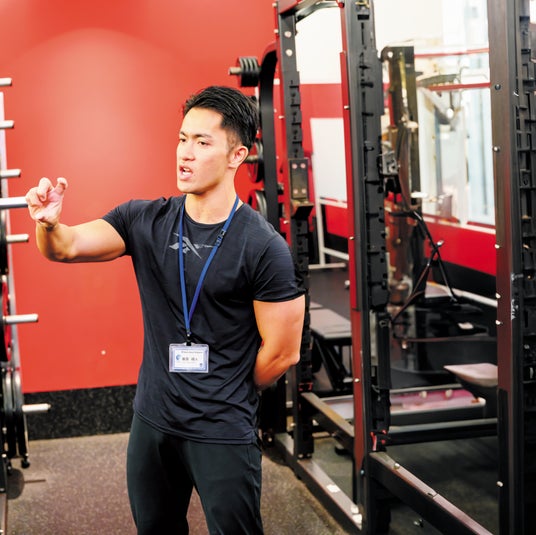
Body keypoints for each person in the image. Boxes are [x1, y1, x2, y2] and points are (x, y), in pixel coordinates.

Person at [25, 85, 305, 535]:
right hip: (152, 421)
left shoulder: (263, 247)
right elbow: (66, 247)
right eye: (182, 139)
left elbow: (283, 352)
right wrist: (49, 224)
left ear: (237, 155)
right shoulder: (144, 220)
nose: (185, 153)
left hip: (220, 428)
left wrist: (226, 386)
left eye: (202, 142)